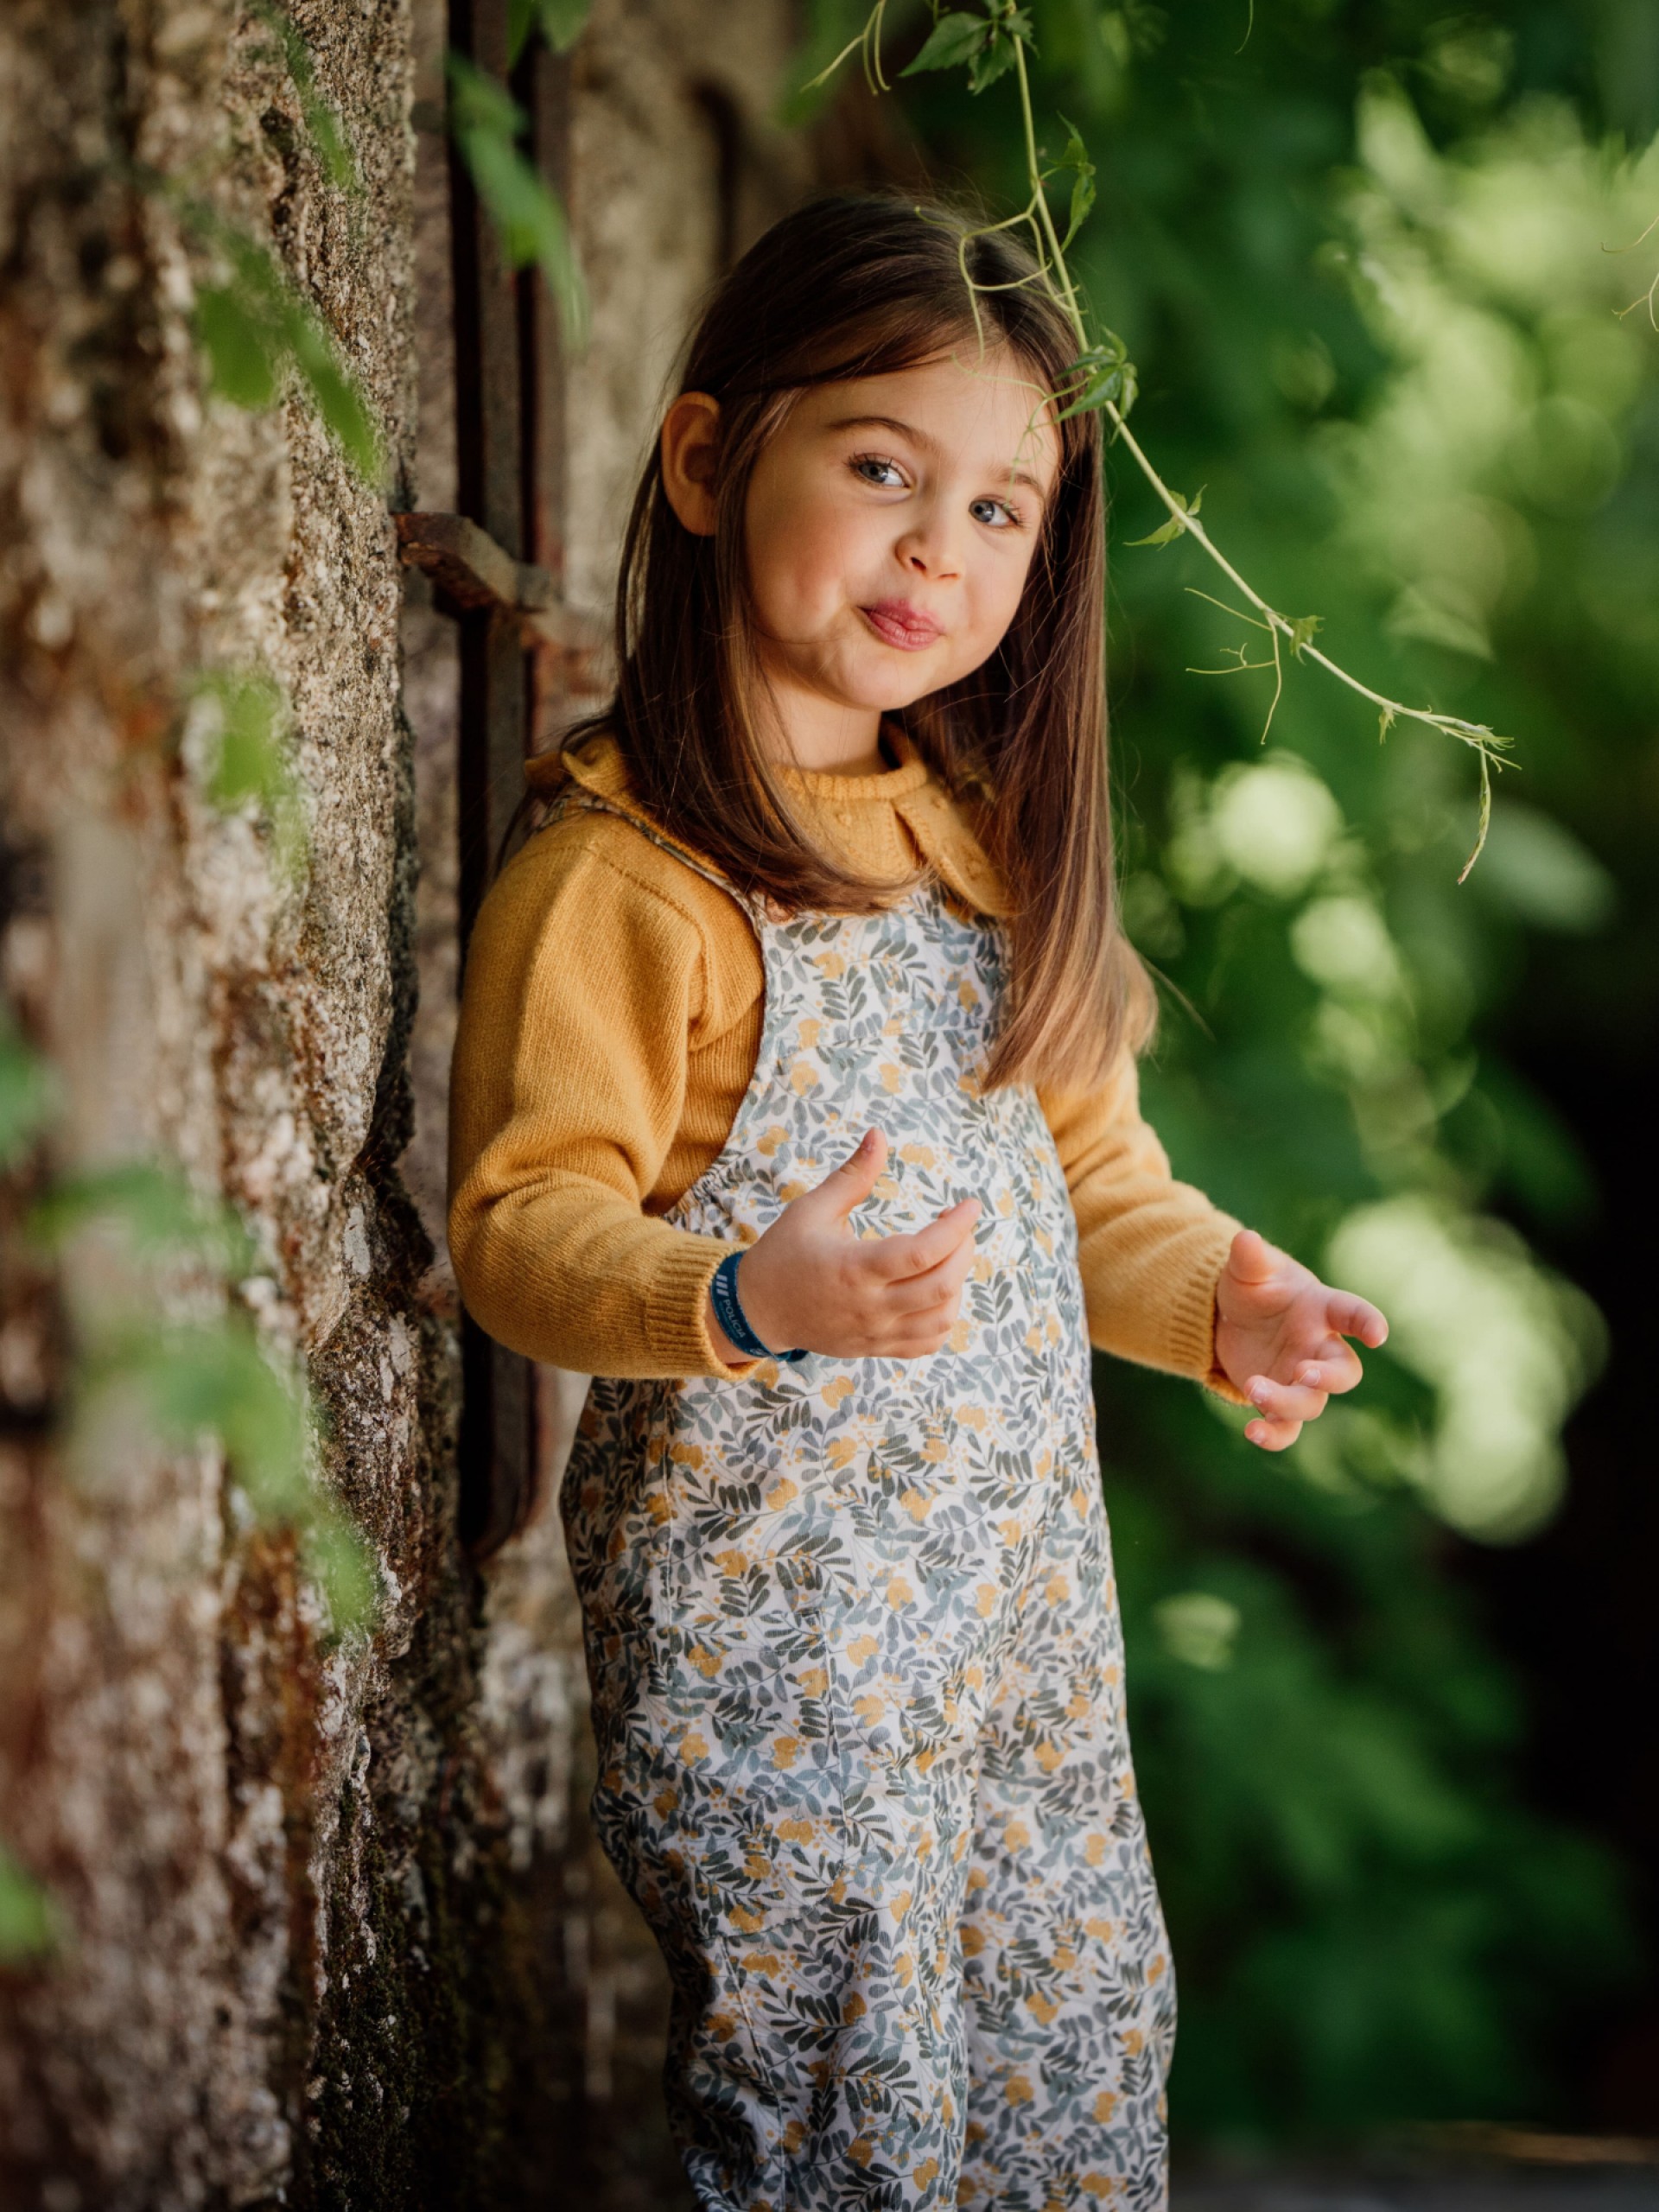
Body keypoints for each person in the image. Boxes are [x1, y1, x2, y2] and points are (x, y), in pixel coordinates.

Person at [448, 192, 1388, 2212]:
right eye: (881, 469)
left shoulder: (983, 850)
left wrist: (1224, 1295)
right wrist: (745, 1291)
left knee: (1066, 2070)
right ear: (709, 461)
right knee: (845, 2110)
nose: (934, 549)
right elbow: (522, 1221)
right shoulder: (632, 879)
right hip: (776, 1649)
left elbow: (1092, 1186)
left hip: (1017, 1639)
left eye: (997, 510)